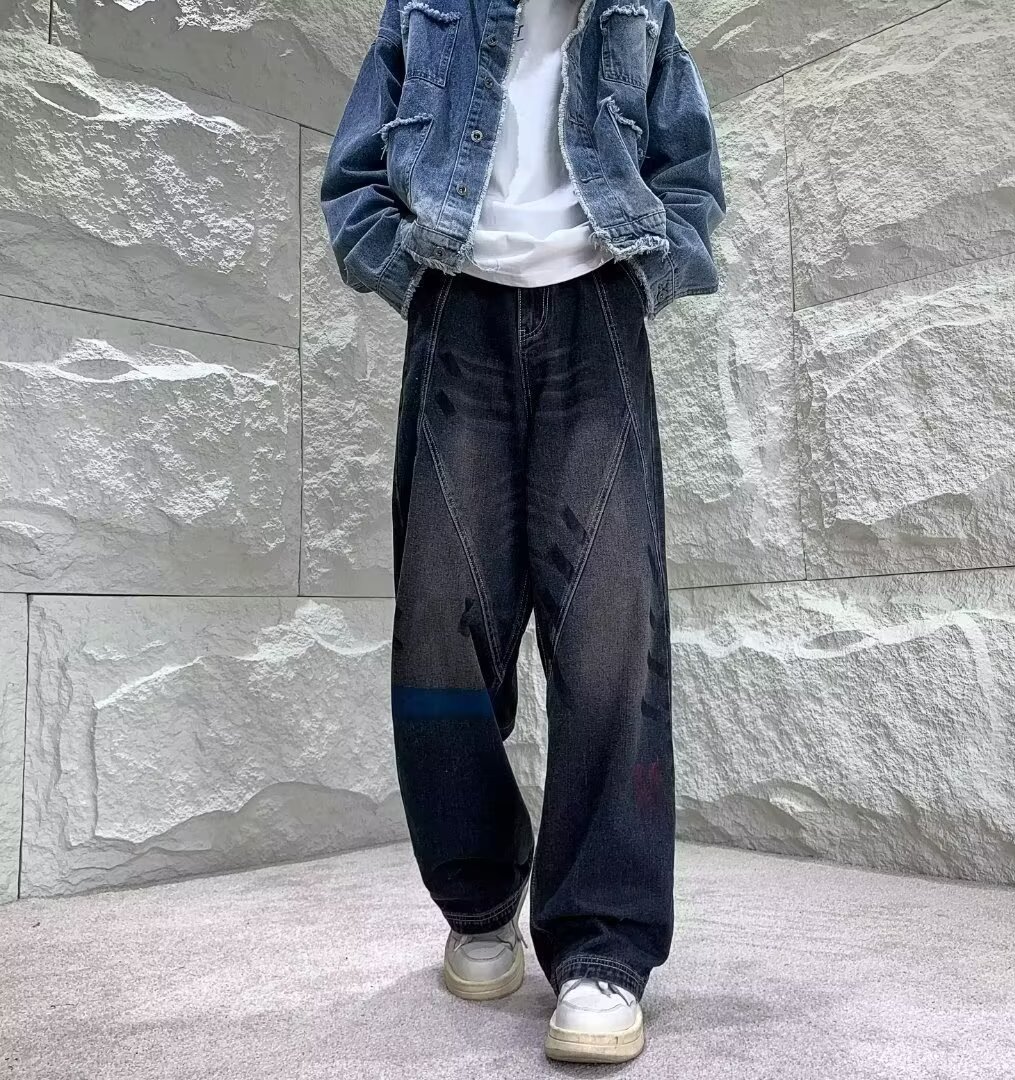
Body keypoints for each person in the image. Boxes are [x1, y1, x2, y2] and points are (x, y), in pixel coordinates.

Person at [321, 0, 724, 1063]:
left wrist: (645, 274)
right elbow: (353, 180)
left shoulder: (638, 11)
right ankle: (479, 897)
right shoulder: (423, 8)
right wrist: (416, 279)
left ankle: (602, 947)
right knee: (441, 632)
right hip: (458, 311)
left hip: (597, 313)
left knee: (610, 636)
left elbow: (690, 173)